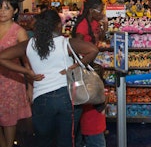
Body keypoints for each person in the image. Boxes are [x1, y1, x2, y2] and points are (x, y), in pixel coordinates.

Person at [0, 9, 99, 147]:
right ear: (58, 25)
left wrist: (27, 72)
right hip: (67, 96)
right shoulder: (66, 43)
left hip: (41, 98)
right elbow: (93, 50)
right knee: (66, 140)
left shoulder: (29, 44)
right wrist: (76, 66)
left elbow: (2, 57)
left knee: (43, 141)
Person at [71, 0, 107, 147]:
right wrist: (83, 65)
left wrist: (105, 27)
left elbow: (101, 38)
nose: (103, 12)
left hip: (90, 65)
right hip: (83, 68)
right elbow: (76, 46)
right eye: (101, 9)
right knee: (84, 102)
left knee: (91, 103)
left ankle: (91, 131)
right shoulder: (82, 25)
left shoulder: (94, 23)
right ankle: (81, 137)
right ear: (92, 10)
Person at [0, 0, 32, 147]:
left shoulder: (18, 31)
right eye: (0, 7)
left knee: (8, 120)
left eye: (7, 8)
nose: (2, 11)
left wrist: (30, 86)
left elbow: (27, 60)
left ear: (15, 11)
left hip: (11, 81)